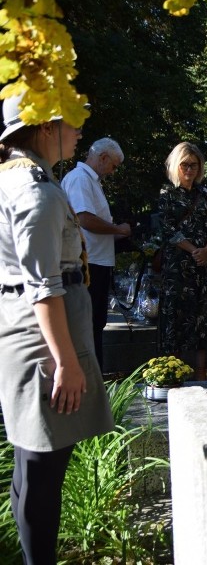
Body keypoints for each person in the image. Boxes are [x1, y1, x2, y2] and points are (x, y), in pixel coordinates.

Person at [0, 93, 114, 564]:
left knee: (31, 472)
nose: (79, 130)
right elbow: (45, 285)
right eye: (72, 121)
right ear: (46, 126)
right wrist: (66, 362)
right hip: (46, 343)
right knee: (42, 474)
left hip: (31, 333)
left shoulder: (15, 179)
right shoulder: (37, 192)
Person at [61, 137, 131, 371]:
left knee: (95, 323)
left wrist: (116, 235)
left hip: (96, 261)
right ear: (102, 158)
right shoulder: (81, 179)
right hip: (87, 264)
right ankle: (89, 380)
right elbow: (85, 219)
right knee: (88, 326)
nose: (113, 171)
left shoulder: (91, 181)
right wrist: (118, 229)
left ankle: (94, 379)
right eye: (113, 165)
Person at [157, 142, 207, 381]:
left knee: (202, 319)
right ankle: (174, 376)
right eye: (185, 164)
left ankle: (202, 377)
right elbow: (167, 229)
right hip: (177, 268)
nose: (190, 169)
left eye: (195, 165)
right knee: (176, 319)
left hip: (203, 267)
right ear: (176, 165)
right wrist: (195, 250)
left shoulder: (205, 194)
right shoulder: (167, 194)